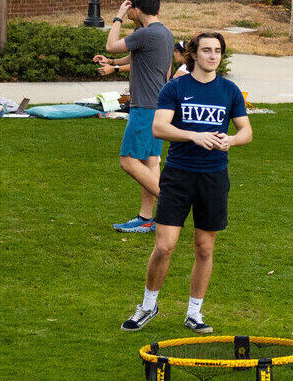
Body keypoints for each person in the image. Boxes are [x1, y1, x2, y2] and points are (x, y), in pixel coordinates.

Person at [122, 32, 254, 333]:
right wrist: (194, 135)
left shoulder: (229, 90)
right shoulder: (176, 88)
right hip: (179, 174)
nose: (213, 56)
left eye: (218, 51)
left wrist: (231, 140)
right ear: (193, 54)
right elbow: (159, 127)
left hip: (214, 177)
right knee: (165, 246)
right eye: (207, 50)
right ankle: (148, 305)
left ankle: (194, 312)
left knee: (204, 248)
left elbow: (246, 131)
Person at [96, 0, 174, 234]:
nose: (127, 10)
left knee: (128, 161)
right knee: (150, 162)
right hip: (158, 107)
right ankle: (147, 219)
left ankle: (174, 202)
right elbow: (135, 58)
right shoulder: (164, 34)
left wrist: (118, 17)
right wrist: (112, 64)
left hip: (144, 109)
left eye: (128, 7)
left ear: (136, 10)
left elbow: (111, 44)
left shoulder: (146, 34)